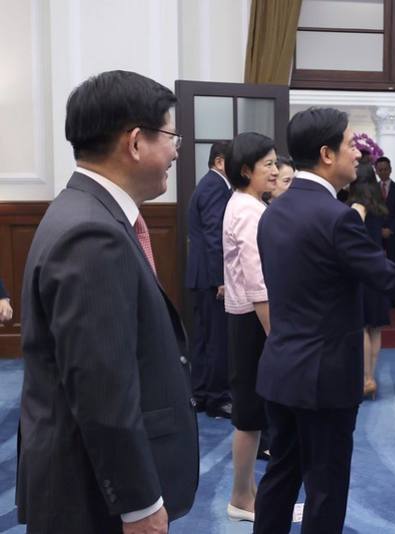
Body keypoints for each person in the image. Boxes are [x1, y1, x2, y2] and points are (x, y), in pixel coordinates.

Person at [253, 107, 395, 534]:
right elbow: (384, 275)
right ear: (326, 154)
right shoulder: (336, 217)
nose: (359, 153)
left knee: (281, 475)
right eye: (351, 144)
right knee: (326, 486)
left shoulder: (273, 211)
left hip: (281, 368)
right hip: (325, 375)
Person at [17, 70, 197, 533]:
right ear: (136, 143)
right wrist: (138, 504)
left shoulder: (87, 211)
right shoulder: (92, 233)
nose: (177, 150)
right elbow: (101, 388)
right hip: (91, 495)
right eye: (172, 136)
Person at [222, 132, 278, 522]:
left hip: (248, 317)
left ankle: (248, 492)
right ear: (246, 170)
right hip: (252, 321)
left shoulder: (249, 204)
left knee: (253, 413)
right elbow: (258, 281)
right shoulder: (247, 210)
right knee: (249, 413)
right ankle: (242, 496)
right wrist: (276, 335)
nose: (276, 171)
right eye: (269, 165)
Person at [185, 141, 233, 419]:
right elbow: (216, 236)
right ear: (219, 162)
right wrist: (220, 280)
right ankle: (217, 399)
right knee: (216, 340)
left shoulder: (208, 184)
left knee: (204, 339)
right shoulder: (216, 187)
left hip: (201, 275)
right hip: (211, 277)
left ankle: (201, 394)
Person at [348, 163, 391, 399]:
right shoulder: (379, 207)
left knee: (362, 325)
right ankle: (371, 377)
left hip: (362, 272)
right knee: (375, 327)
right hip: (379, 271)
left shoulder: (356, 208)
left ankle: (364, 380)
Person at [375, 156, 395, 264]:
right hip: (376, 233)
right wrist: (379, 229)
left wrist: (390, 229)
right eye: (380, 170)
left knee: (394, 263)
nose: (383, 172)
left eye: (385, 169)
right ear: (376, 171)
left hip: (394, 234)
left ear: (390, 170)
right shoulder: (372, 190)